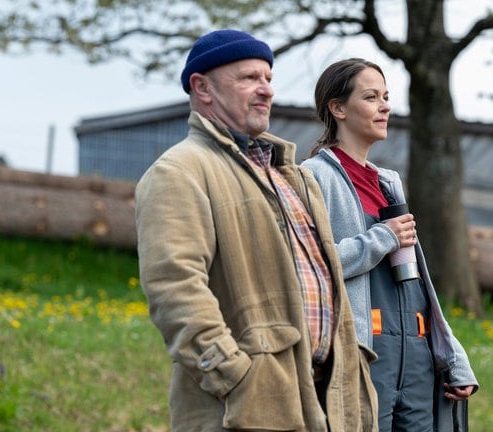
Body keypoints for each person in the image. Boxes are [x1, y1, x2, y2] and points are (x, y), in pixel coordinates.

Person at [135, 31, 378, 432]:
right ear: (202, 88)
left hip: (325, 401)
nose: (265, 90)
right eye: (249, 78)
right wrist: (234, 378)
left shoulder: (295, 178)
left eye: (268, 78)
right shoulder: (178, 172)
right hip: (248, 409)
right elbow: (174, 289)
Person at [301, 58, 479, 431]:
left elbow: (418, 286)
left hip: (415, 359)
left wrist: (454, 358)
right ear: (338, 108)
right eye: (371, 97)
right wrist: (382, 237)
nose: (385, 106)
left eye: (386, 97)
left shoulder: (388, 183)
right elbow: (311, 267)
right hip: (363, 354)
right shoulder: (314, 177)